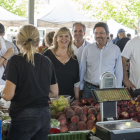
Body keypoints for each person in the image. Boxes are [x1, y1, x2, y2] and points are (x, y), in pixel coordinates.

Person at [1, 24, 58, 140]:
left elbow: (8, 96)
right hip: (44, 116)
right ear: (38, 42)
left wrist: (2, 93)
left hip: (23, 116)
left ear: (18, 41)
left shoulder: (15, 61)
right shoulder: (46, 61)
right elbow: (54, 92)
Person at [80, 22, 123, 99]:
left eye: (101, 33)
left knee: (107, 111)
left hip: (108, 89)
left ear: (107, 34)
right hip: (89, 90)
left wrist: (118, 88)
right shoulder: (87, 49)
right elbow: (82, 69)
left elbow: (118, 71)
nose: (98, 35)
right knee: (88, 110)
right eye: (96, 33)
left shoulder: (115, 49)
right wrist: (80, 87)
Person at [44, 27, 79, 101]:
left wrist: (77, 101)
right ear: (56, 38)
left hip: (69, 101)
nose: (64, 38)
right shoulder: (47, 55)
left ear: (70, 39)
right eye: (61, 36)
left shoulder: (74, 58)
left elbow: (76, 83)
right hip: (51, 101)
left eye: (66, 36)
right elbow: (41, 78)